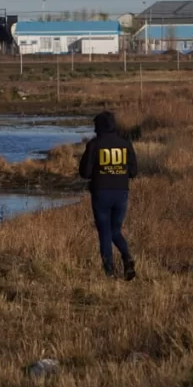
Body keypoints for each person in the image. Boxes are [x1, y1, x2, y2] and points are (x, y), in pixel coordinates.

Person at [79, 111, 138, 280]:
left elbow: (85, 172)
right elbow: (133, 172)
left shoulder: (94, 145)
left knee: (104, 232)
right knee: (115, 230)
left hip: (101, 193)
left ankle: (109, 272)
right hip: (121, 193)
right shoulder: (125, 144)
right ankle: (127, 257)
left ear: (98, 126)